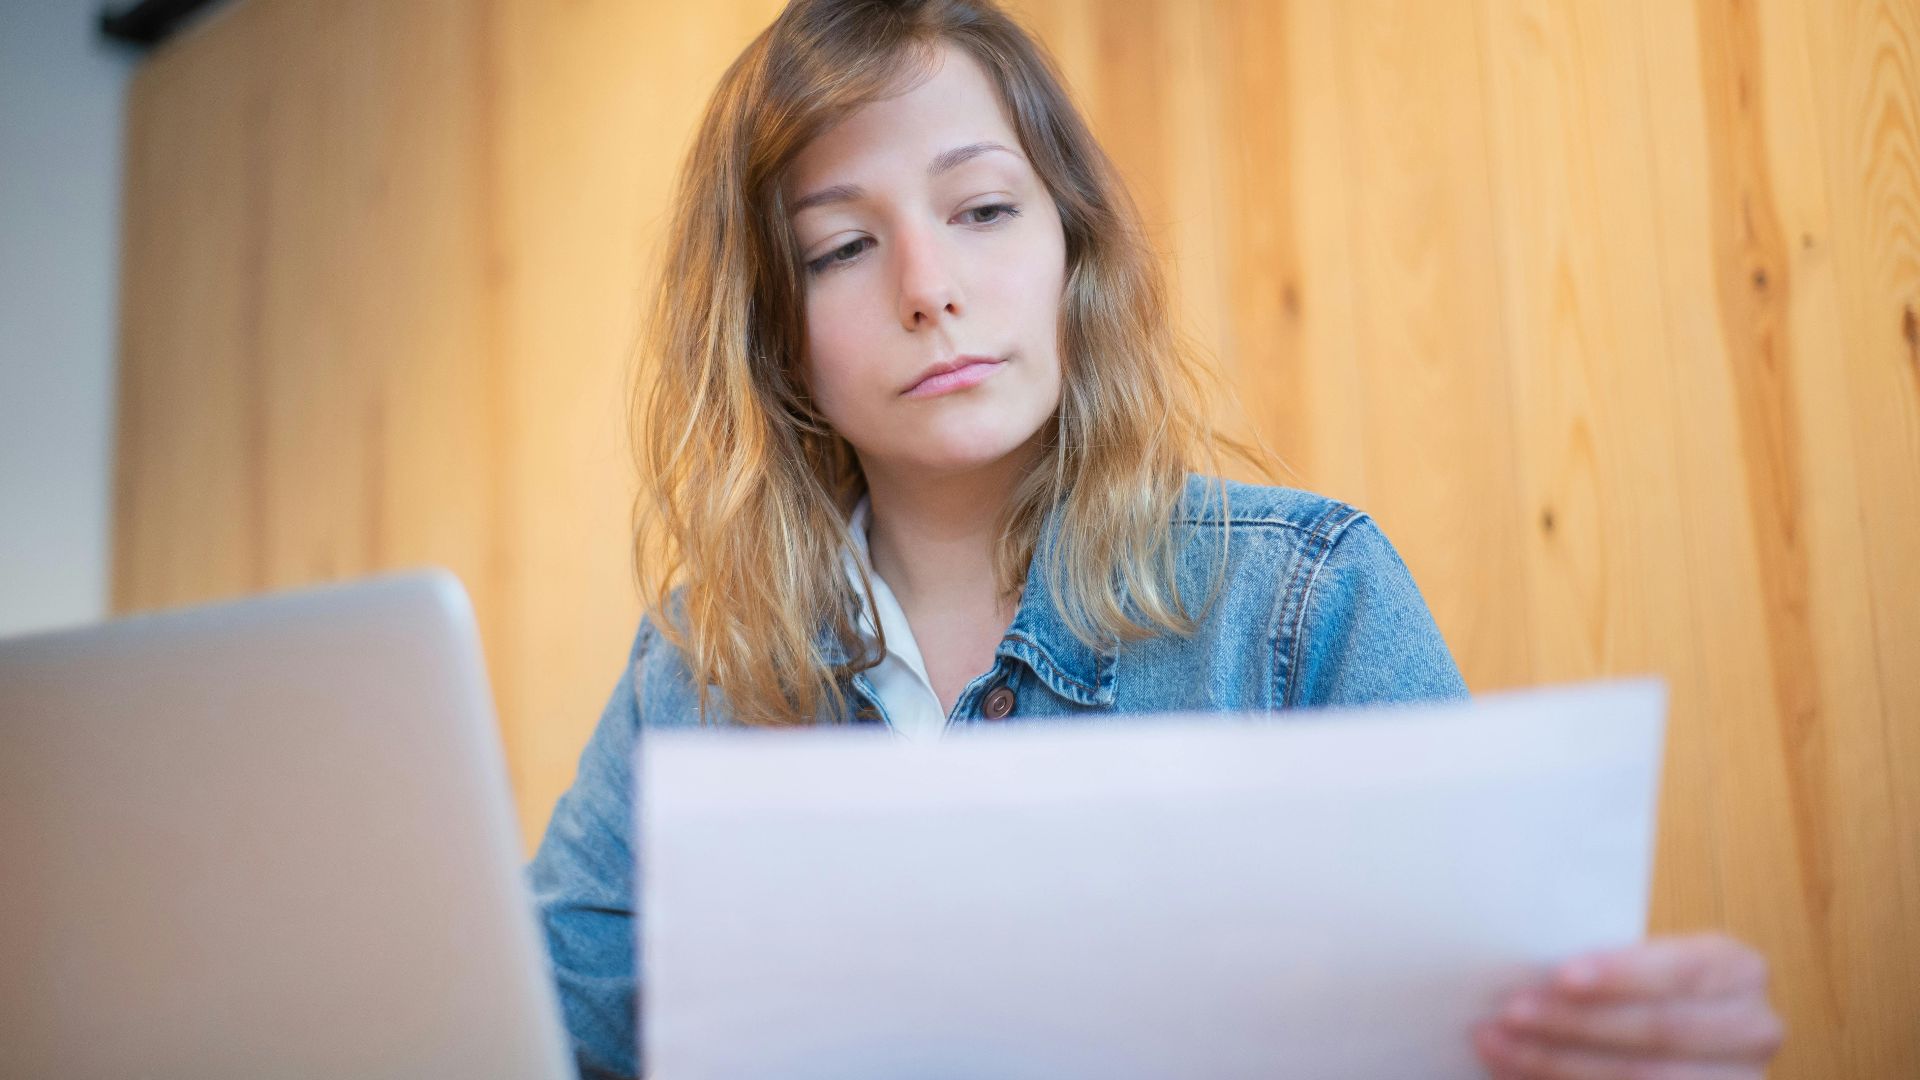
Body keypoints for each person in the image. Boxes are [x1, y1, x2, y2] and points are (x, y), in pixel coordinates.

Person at [527, 1, 1784, 1077]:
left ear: (1072, 245)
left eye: (980, 209)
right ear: (773, 332)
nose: (927, 285)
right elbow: (529, 1031)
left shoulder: (1303, 599)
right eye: (841, 248)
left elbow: (1490, 1032)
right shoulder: (696, 666)